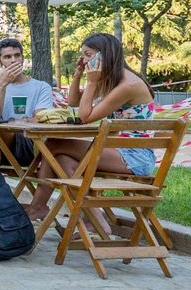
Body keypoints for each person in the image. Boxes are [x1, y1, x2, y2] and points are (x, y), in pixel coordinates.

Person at [23, 33, 157, 221]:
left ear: (105, 55)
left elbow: (84, 117)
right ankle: (97, 222)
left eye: (88, 55)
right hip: (118, 150)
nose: (84, 60)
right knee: (62, 160)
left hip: (135, 157)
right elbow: (74, 102)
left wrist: (92, 81)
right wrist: (78, 75)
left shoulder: (129, 84)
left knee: (52, 145)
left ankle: (37, 207)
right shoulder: (113, 79)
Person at [0, 39, 56, 167]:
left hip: (30, 142)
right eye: (7, 57)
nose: (14, 60)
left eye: (17, 55)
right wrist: (2, 85)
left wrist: (14, 123)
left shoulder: (41, 87)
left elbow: (41, 119)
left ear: (22, 59)